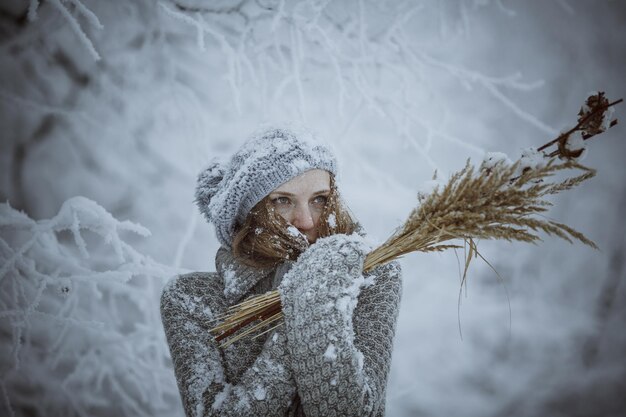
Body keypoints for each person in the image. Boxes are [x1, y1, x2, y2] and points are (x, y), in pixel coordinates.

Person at [160, 125, 402, 416]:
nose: (306, 220)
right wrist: (308, 297)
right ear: (247, 212)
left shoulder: (372, 276)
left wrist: (320, 290)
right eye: (282, 201)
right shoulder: (190, 299)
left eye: (319, 199)